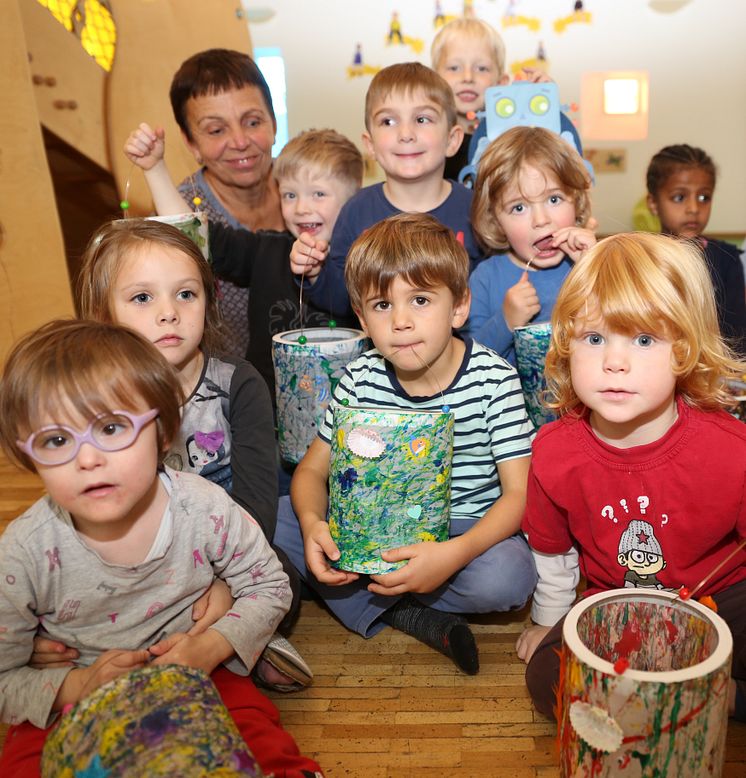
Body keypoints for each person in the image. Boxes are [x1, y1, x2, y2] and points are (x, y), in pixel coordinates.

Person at [0, 320, 323, 777]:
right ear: (28, 454)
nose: (87, 458)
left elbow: (270, 586)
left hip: (202, 671)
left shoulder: (205, 507)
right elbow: (5, 679)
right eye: (56, 440)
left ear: (163, 431)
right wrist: (77, 685)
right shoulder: (23, 553)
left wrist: (210, 648)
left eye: (112, 428)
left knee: (260, 741)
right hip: (71, 699)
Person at [275, 213, 538, 675]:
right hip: (367, 528)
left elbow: (520, 493)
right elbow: (313, 472)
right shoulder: (358, 378)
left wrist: (455, 554)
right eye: (381, 305)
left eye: (419, 300)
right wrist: (315, 523)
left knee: (511, 575)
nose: (400, 321)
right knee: (275, 518)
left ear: (458, 308)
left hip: (463, 532)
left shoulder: (494, 378)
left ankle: (385, 598)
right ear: (361, 318)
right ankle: (408, 610)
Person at [516, 232, 746, 722]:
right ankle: (687, 697)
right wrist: (550, 620)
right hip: (618, 609)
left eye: (643, 340)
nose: (614, 361)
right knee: (545, 677)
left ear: (682, 351)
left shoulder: (732, 450)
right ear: (565, 345)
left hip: (723, 600)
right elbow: (553, 552)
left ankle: (721, 697)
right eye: (594, 339)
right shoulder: (554, 451)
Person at [67, 220, 308, 685]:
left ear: (207, 300)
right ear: (104, 315)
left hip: (229, 549)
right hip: (139, 554)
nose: (169, 313)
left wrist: (218, 581)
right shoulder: (93, 399)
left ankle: (214, 639)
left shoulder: (238, 383)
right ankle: (235, 642)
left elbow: (257, 502)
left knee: (281, 577)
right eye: (142, 298)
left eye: (185, 294)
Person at [124, 125, 363, 397]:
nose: (301, 208)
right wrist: (155, 168)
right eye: (290, 195)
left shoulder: (366, 262)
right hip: (262, 413)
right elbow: (193, 235)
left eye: (318, 194)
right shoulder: (265, 249)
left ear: (354, 200)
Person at [289, 62, 483, 319]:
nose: (405, 134)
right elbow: (342, 300)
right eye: (388, 121)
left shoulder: (476, 210)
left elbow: (491, 292)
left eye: (422, 119)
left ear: (452, 139)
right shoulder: (356, 212)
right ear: (370, 145)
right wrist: (314, 273)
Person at [169, 49, 285, 358]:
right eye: (216, 130)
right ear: (191, 142)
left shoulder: (309, 190)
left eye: (252, 122)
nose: (239, 141)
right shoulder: (180, 215)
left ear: (273, 122)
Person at [464, 126, 596, 365]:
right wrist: (505, 321)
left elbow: (627, 330)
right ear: (494, 219)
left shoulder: (588, 264)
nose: (541, 220)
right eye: (519, 207)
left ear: (576, 200)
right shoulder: (485, 278)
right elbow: (467, 363)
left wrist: (594, 269)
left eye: (554, 199)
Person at [645, 143, 746, 355]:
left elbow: (737, 335)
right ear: (653, 203)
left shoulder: (727, 259)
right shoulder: (641, 257)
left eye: (704, 198)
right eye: (679, 197)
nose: (693, 209)